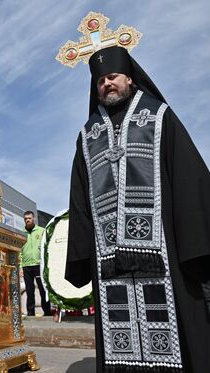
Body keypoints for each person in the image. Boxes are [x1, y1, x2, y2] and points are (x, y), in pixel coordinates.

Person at [66, 45, 210, 372]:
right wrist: (82, 253)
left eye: (112, 77)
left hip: (162, 250)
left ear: (129, 78)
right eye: (100, 80)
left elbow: (188, 177)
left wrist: (194, 242)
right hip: (110, 258)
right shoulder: (89, 135)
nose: (107, 84)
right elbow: (79, 197)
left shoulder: (158, 117)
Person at [20, 211, 51, 317]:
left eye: (29, 218)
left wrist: (46, 262)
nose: (27, 220)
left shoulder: (41, 231)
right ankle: (30, 313)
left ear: (34, 219)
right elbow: (19, 250)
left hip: (39, 264)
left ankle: (47, 312)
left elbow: (46, 247)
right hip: (26, 266)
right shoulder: (21, 233)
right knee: (29, 291)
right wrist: (20, 267)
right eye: (25, 219)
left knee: (43, 289)